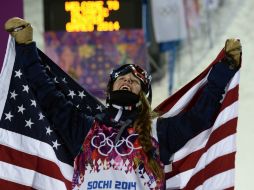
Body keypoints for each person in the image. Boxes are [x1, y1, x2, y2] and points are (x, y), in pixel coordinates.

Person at [4, 17, 241, 189]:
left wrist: (225, 69)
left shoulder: (159, 132)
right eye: (122, 78)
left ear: (144, 98)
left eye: (136, 81)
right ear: (110, 90)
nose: (128, 81)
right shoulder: (84, 129)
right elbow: (47, 96)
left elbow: (200, 116)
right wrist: (25, 48)